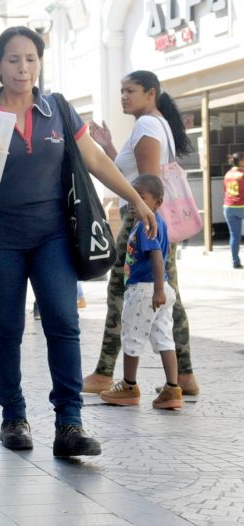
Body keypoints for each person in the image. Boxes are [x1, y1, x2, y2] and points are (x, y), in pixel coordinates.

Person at [0, 26, 157, 457]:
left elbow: (92, 158)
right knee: (7, 329)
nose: (23, 68)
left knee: (63, 322)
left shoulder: (57, 109)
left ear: (39, 63)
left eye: (31, 59)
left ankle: (69, 423)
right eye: (13, 60)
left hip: (53, 234)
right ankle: (13, 416)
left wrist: (135, 199)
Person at [82, 70, 199, 397]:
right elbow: (135, 176)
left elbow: (147, 185)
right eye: (121, 90)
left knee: (121, 291)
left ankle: (108, 374)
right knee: (167, 296)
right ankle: (184, 375)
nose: (123, 96)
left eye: (130, 90)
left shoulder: (147, 125)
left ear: (151, 94)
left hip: (142, 221)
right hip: (152, 221)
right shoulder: (155, 124)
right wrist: (109, 148)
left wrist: (142, 224)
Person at [99, 175, 182, 410]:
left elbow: (156, 256)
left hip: (146, 289)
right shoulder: (150, 221)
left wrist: (157, 289)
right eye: (131, 196)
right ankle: (172, 389)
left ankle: (129, 385)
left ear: (157, 202)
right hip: (157, 289)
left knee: (131, 337)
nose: (134, 202)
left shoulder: (148, 223)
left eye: (141, 197)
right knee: (164, 337)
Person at [223, 152, 244, 269]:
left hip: (228, 207)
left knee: (234, 236)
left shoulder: (228, 174)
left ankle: (235, 261)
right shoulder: (242, 174)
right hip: (242, 206)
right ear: (241, 161)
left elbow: (225, 190)